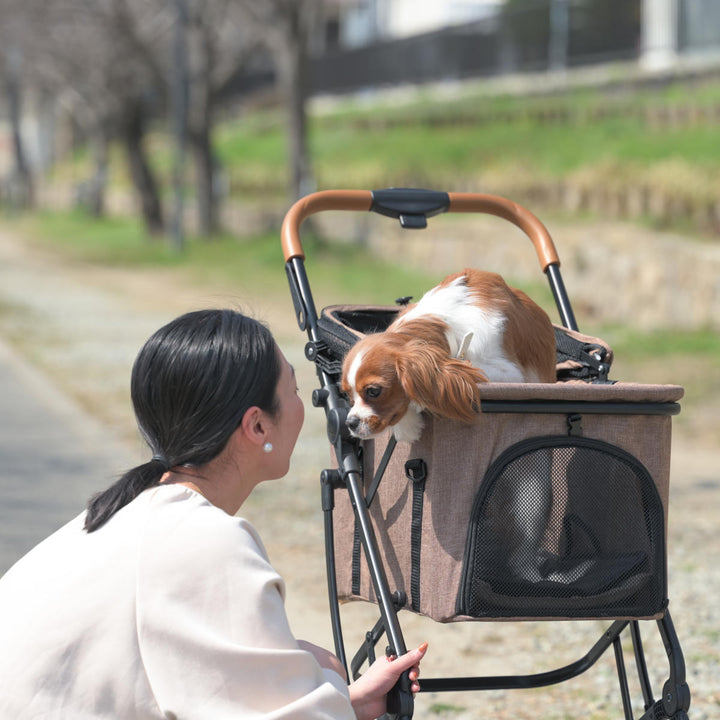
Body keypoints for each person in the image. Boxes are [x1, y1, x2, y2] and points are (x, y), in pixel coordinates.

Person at [0, 309, 427, 719]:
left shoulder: (116, 517)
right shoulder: (205, 544)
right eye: (295, 392)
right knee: (321, 663)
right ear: (257, 426)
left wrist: (341, 702)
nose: (309, 408)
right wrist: (330, 684)